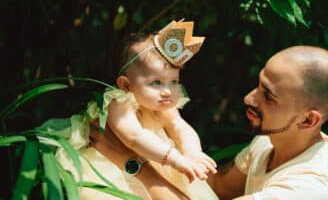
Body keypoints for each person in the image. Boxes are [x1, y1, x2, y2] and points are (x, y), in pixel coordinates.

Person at [90, 45, 328, 199]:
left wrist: (130, 161)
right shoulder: (267, 142)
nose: (248, 98)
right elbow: (216, 187)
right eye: (258, 84)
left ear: (308, 119)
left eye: (268, 96)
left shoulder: (313, 187)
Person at [38, 20, 218, 200]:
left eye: (174, 81)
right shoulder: (118, 101)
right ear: (125, 84)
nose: (167, 91)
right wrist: (177, 160)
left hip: (153, 162)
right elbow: (133, 137)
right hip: (110, 168)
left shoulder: (162, 105)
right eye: (156, 82)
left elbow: (180, 127)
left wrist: (191, 151)